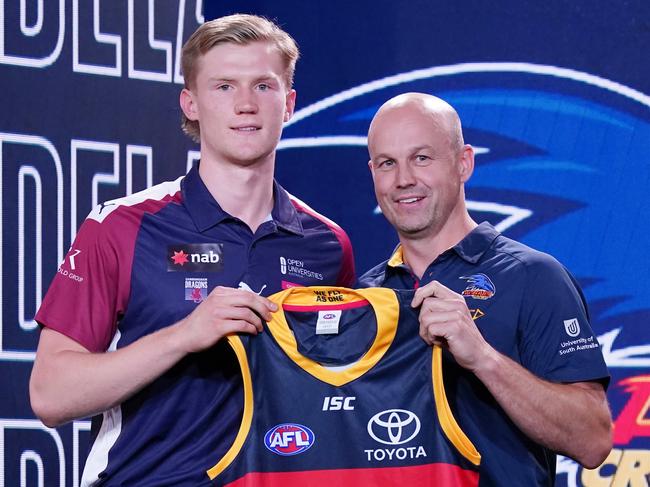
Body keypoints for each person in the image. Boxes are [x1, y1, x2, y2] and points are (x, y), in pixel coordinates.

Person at [29, 14, 354, 486]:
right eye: (224, 86)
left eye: (264, 86)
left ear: (289, 104)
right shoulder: (121, 226)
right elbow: (50, 395)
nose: (246, 105)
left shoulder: (327, 244)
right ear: (191, 103)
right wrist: (186, 335)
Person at [360, 92, 612, 486]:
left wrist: (482, 358)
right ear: (373, 172)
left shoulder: (533, 276)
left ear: (464, 163)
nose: (404, 179)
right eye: (387, 163)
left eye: (422, 158)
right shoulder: (365, 297)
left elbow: (593, 440)